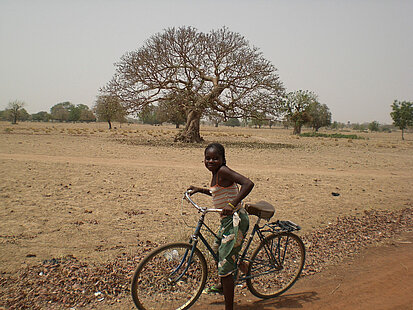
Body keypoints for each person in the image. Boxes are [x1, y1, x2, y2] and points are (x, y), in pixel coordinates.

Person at [188, 143, 254, 310]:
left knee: (224, 265)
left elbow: (248, 183)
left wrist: (232, 205)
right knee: (218, 250)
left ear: (223, 160)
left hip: (236, 221)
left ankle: (229, 304)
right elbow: (216, 191)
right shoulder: (216, 173)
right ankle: (232, 274)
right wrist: (199, 189)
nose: (211, 161)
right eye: (208, 158)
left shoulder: (223, 171)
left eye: (215, 158)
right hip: (227, 221)